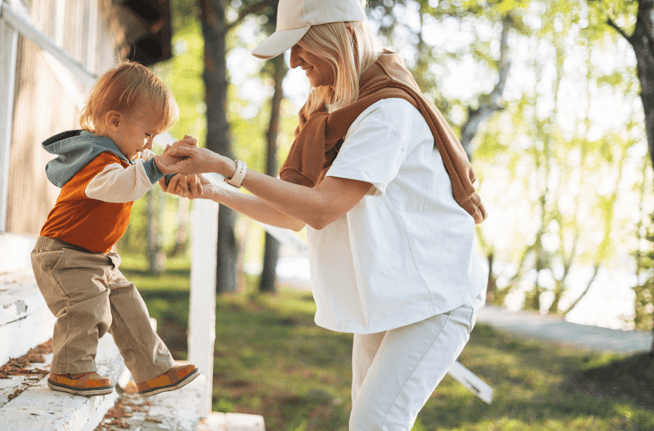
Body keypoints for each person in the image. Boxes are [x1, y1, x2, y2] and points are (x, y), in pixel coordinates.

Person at [158, 0, 488, 428]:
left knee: (374, 422)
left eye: (300, 45)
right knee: (370, 420)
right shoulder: (329, 112)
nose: (293, 61)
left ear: (339, 35)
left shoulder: (388, 112)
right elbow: (294, 213)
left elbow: (323, 209)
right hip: (391, 291)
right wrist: (214, 190)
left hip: (436, 295)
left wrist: (228, 167)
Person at [30, 61, 200, 398]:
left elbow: (138, 174)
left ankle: (154, 371)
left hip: (97, 258)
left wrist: (168, 174)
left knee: (129, 307)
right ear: (115, 121)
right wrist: (154, 167)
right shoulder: (98, 160)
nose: (149, 143)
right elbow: (121, 186)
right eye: (147, 133)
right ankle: (70, 370)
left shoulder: (121, 158)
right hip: (64, 254)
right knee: (86, 309)